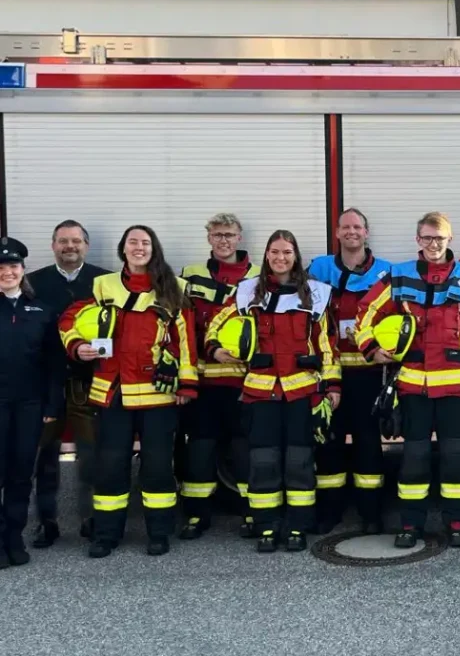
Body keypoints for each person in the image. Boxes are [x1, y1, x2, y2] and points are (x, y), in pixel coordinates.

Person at [59, 225, 198, 558]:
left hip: (159, 395)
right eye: (133, 242)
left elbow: (186, 340)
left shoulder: (174, 288)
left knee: (158, 467)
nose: (139, 247)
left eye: (145, 242)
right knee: (110, 465)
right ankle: (106, 535)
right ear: (123, 249)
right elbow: (69, 320)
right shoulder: (103, 286)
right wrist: (78, 347)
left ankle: (159, 533)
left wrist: (187, 385)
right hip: (113, 393)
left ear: (154, 249)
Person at [356, 211, 460, 549]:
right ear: (418, 240)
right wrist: (372, 348)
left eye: (439, 239)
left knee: (456, 458)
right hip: (413, 386)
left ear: (450, 240)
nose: (433, 244)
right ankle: (410, 524)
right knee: (413, 459)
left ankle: (456, 521)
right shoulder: (397, 277)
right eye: (427, 238)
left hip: (456, 388)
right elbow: (365, 314)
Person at [205, 230, 340, 553]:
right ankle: (266, 526)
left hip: (302, 393)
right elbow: (215, 325)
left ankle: (297, 527)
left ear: (296, 256)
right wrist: (215, 350)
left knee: (299, 462)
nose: (281, 258)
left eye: (287, 252)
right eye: (275, 252)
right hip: (259, 395)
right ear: (266, 255)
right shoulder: (246, 292)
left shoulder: (317, 295)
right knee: (263, 463)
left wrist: (333, 386)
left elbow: (327, 347)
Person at [308, 208, 391, 535]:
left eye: (357, 226)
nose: (351, 232)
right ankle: (331, 512)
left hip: (369, 373)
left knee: (369, 444)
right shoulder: (319, 268)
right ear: (337, 232)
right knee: (328, 444)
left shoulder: (385, 271)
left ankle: (371, 514)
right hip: (330, 373)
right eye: (346, 227)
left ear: (366, 232)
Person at [28, 220, 110, 548]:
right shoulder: (33, 282)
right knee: (44, 456)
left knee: (91, 455)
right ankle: (46, 522)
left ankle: (90, 519)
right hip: (46, 384)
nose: (69, 246)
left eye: (76, 241)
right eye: (63, 241)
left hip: (88, 382)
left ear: (86, 246)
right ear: (53, 246)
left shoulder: (104, 282)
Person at [178, 213, 260, 541]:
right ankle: (197, 514)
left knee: (244, 449)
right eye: (217, 235)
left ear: (240, 237)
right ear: (208, 238)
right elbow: (181, 326)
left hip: (245, 381)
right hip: (204, 380)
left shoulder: (259, 276)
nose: (223, 240)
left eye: (229, 234)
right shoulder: (191, 275)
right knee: (200, 449)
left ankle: (252, 510)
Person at [0, 237, 64, 568]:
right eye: (1, 267)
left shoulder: (41, 311)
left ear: (23, 270)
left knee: (21, 474)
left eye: (12, 266)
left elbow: (54, 364)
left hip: (29, 406)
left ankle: (14, 538)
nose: (7, 272)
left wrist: (53, 407)